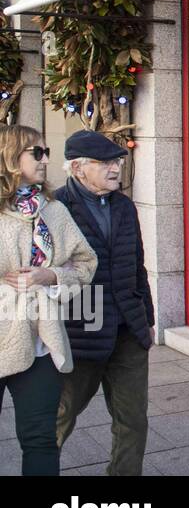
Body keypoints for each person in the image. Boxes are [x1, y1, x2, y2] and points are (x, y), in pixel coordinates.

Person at [54, 130, 155, 476]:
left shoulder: (124, 206)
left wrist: (148, 318)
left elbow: (137, 265)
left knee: (133, 421)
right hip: (79, 332)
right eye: (106, 163)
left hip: (128, 328)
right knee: (59, 417)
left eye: (117, 162)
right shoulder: (53, 210)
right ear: (79, 168)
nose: (115, 169)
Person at [0, 125, 97, 475]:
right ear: (11, 157)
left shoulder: (53, 210)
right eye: (36, 153)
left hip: (41, 341)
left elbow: (87, 262)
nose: (44, 160)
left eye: (46, 152)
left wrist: (50, 276)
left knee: (40, 439)